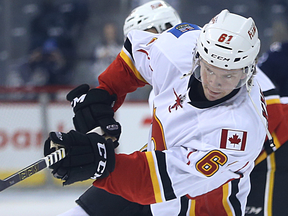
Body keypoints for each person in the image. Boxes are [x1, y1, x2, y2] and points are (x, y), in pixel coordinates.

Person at [44, 9, 268, 216]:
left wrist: (98, 164)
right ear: (197, 55)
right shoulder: (179, 48)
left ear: (247, 71)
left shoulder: (239, 130)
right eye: (209, 70)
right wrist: (107, 92)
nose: (215, 83)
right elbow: (135, 58)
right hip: (160, 203)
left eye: (228, 76)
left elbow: (152, 182)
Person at [58, 1, 182, 215]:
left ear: (166, 30)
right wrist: (104, 93)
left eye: (145, 36)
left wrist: (104, 164)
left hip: (190, 190)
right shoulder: (161, 88)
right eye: (131, 41)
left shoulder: (204, 80)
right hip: (163, 181)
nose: (138, 47)